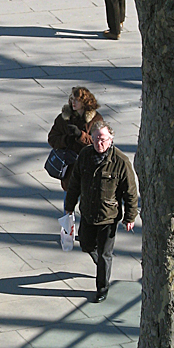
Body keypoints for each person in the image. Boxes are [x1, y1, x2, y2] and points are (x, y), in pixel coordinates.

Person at [64, 121, 138, 303]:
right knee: (86, 245)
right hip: (88, 213)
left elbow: (130, 192)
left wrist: (130, 216)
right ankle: (101, 264)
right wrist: (69, 207)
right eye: (96, 139)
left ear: (111, 139)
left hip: (108, 217)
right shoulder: (85, 155)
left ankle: (102, 287)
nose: (99, 143)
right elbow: (74, 183)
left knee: (105, 255)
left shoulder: (120, 161)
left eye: (103, 139)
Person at [47, 86, 104, 192]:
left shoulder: (96, 120)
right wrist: (65, 140)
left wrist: (80, 135)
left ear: (85, 102)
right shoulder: (63, 118)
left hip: (88, 167)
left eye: (77, 100)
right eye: (72, 99)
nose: (73, 103)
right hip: (70, 168)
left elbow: (99, 143)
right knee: (69, 200)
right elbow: (52, 138)